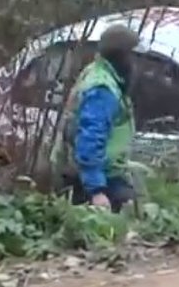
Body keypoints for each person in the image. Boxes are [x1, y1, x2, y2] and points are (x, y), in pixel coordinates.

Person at [50, 24, 140, 212]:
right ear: (121, 56)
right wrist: (97, 191)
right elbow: (90, 140)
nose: (134, 62)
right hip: (98, 180)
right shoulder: (102, 89)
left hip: (100, 174)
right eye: (132, 55)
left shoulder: (99, 72)